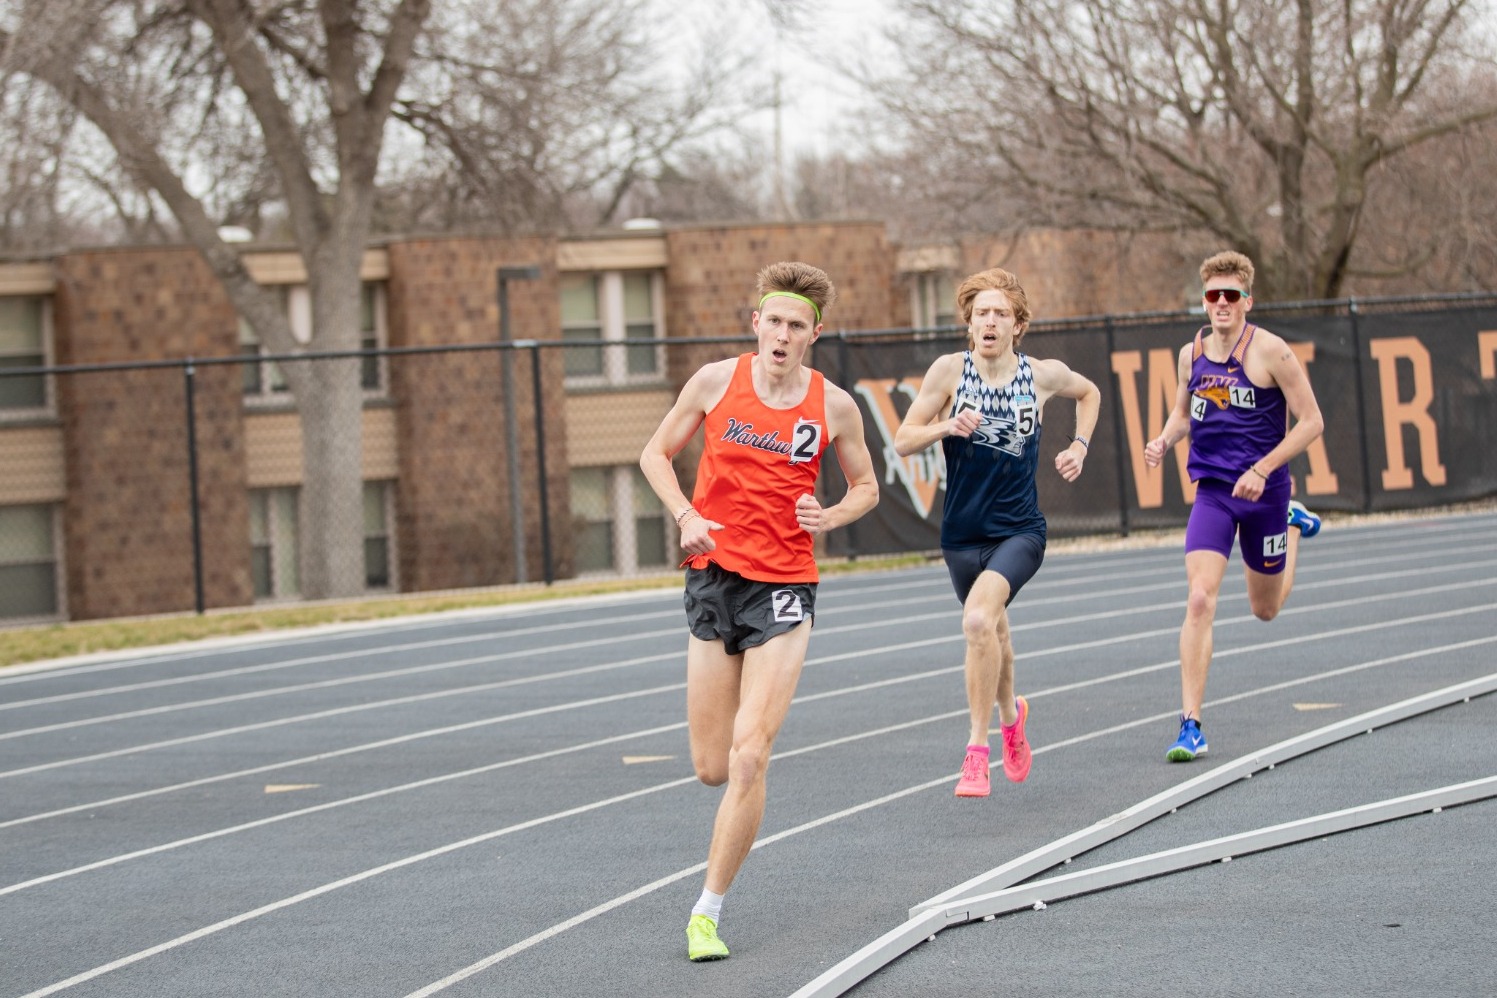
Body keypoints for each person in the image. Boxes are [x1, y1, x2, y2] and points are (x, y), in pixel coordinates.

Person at [639, 261, 879, 963]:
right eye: (772, 321)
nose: (781, 334)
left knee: (749, 757)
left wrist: (828, 513)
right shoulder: (715, 381)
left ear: (814, 335)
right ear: (755, 324)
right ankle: (731, 805)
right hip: (713, 577)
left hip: (784, 586)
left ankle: (706, 912)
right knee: (711, 766)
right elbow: (655, 453)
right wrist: (685, 513)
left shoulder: (832, 406)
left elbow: (865, 485)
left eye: (795, 326)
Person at [893, 268, 1100, 798]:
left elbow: (1090, 392)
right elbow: (902, 440)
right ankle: (1012, 715)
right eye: (980, 313)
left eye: (1000, 314)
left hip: (1019, 531)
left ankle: (976, 751)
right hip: (961, 535)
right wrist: (945, 425)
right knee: (995, 637)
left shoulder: (1043, 375)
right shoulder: (948, 372)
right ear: (968, 324)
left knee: (979, 620)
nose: (989, 321)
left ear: (1018, 325)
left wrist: (1079, 445)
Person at [1144, 250, 1325, 762]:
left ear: (1248, 300)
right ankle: (1190, 725)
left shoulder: (1273, 352)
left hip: (1265, 493)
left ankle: (1291, 524)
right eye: (1212, 295)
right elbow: (1184, 413)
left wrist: (1264, 470)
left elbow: (1312, 422)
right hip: (1214, 492)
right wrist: (1163, 440)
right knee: (1199, 599)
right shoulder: (1192, 352)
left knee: (1264, 610)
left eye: (1231, 295)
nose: (1221, 303)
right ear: (1203, 301)